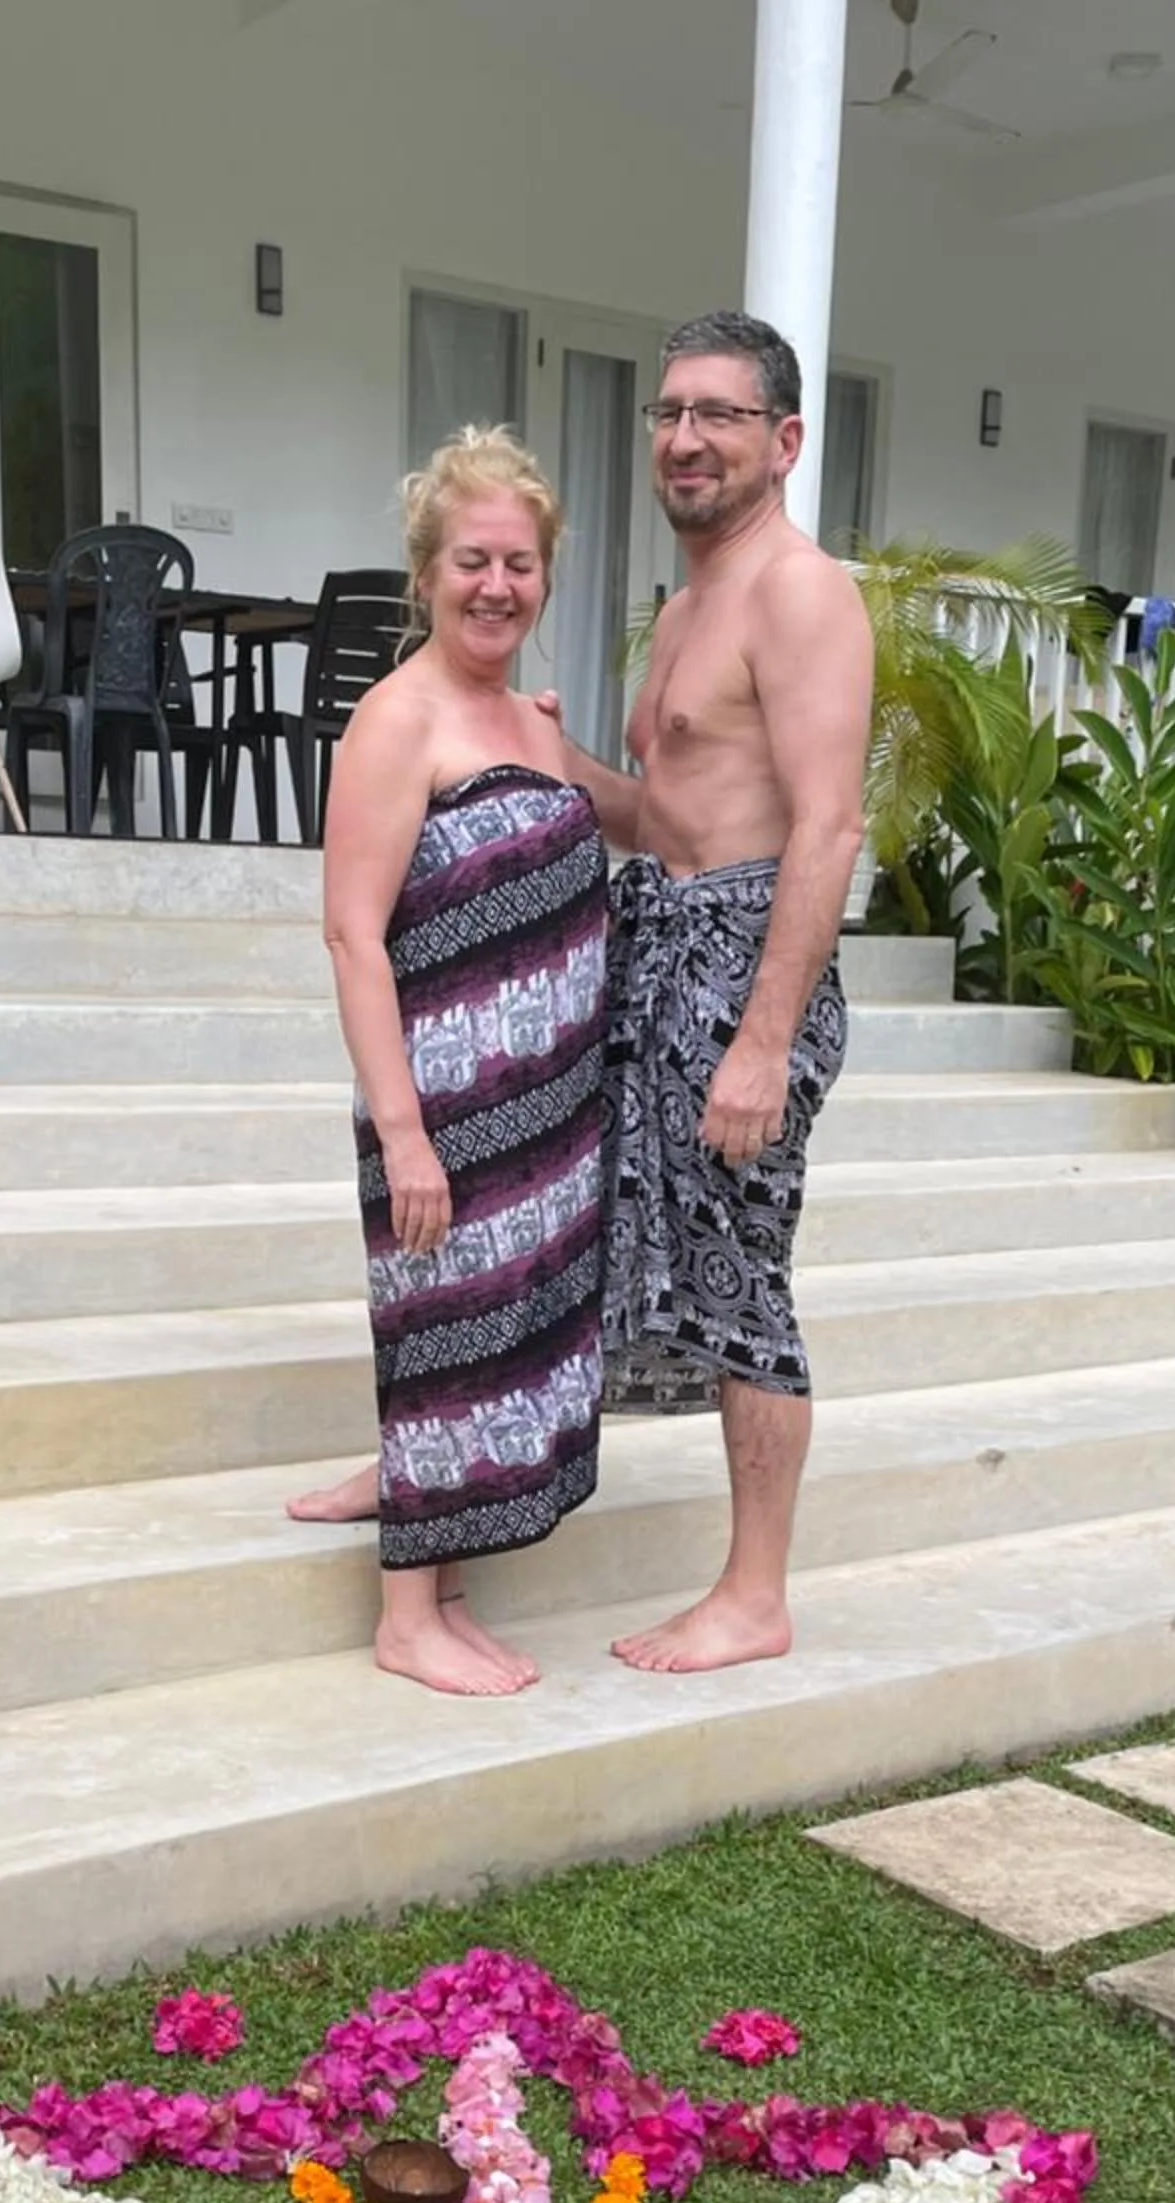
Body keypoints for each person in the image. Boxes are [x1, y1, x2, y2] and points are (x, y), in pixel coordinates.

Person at [297, 309, 869, 1675]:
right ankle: (425, 1462)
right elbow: (662, 812)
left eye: (718, 415)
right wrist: (557, 769)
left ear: (783, 441)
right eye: (668, 412)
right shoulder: (682, 609)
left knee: (737, 1276)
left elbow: (828, 827)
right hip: (651, 951)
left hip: (736, 968)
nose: (683, 438)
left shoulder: (799, 592)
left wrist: (763, 1039)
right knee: (527, 1243)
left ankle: (753, 1591)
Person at [302, 427, 610, 1697]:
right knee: (439, 1334)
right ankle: (404, 1618)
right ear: (427, 572)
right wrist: (405, 1129)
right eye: (473, 560)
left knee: (490, 1340)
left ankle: (456, 1592)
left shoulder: (530, 723)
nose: (498, 585)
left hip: (543, 1113)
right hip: (443, 1098)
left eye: (521, 563)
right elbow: (351, 932)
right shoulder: (397, 717)